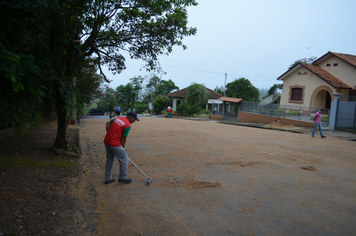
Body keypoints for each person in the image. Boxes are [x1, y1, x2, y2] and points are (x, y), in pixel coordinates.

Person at [103, 111, 140, 184]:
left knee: (109, 160)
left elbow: (107, 124)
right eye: (134, 119)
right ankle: (122, 178)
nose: (134, 121)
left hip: (107, 141)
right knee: (124, 159)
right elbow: (123, 139)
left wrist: (109, 134)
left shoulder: (118, 118)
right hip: (114, 144)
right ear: (130, 117)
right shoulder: (127, 125)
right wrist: (122, 148)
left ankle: (108, 178)